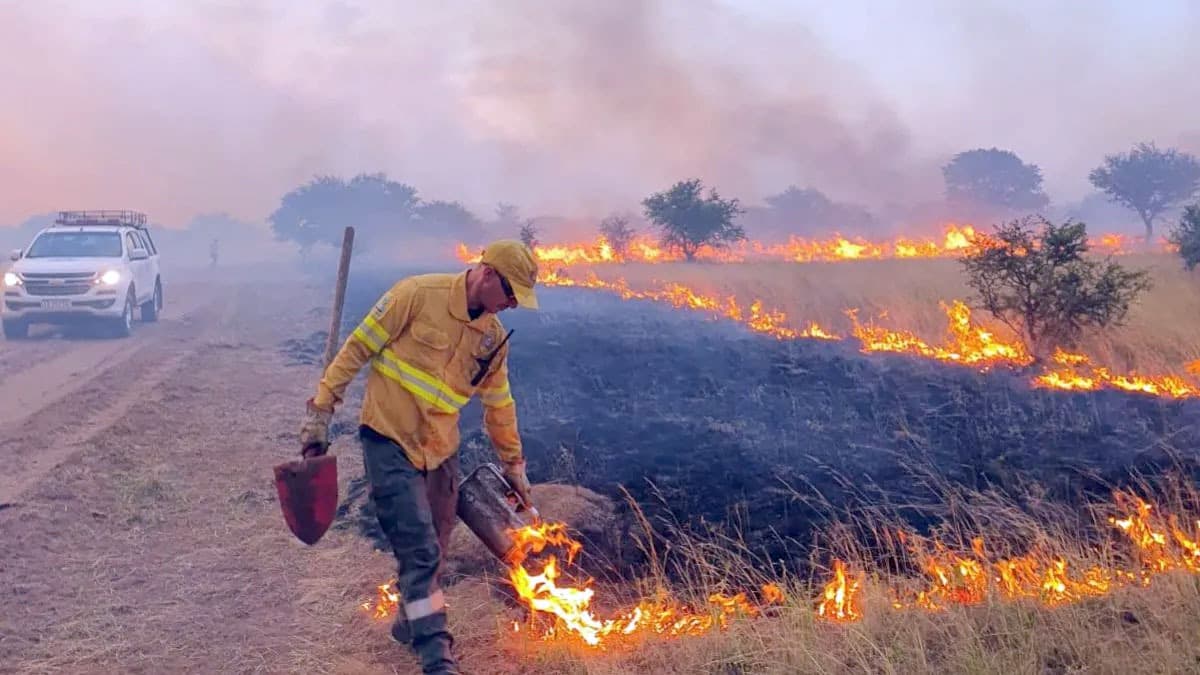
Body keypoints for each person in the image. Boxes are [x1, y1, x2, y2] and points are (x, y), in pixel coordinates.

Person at [298, 240, 538, 674]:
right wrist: (320, 413)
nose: (513, 304)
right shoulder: (415, 294)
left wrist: (514, 466)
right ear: (486, 274)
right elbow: (355, 351)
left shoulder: (493, 338)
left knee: (436, 548)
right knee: (421, 549)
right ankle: (436, 657)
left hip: (440, 451)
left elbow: (500, 405)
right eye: (510, 293)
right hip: (388, 438)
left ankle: (410, 622)